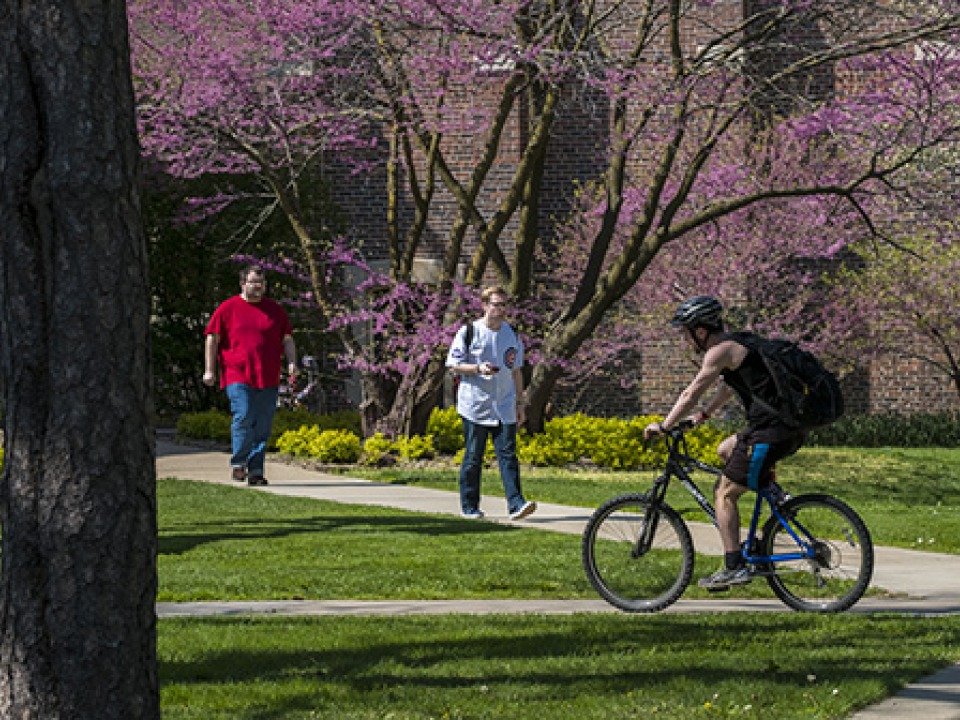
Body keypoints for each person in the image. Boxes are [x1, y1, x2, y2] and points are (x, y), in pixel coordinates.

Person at [643, 295, 802, 590]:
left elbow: (690, 393)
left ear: (700, 331)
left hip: (768, 433)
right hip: (783, 429)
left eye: (686, 332)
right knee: (725, 450)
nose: (685, 339)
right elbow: (729, 388)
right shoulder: (739, 344)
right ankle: (774, 495)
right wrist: (702, 417)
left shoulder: (718, 352)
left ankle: (734, 566)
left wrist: (664, 426)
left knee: (725, 494)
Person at [446, 286, 537, 521]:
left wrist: (519, 403)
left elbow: (516, 371)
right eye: (496, 304)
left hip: (504, 404)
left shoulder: (512, 334)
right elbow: (454, 364)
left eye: (503, 305)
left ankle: (516, 504)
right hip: (475, 405)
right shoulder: (469, 332)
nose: (500, 310)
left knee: (508, 454)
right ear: (484, 306)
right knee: (474, 456)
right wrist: (478, 368)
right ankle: (469, 506)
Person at [203, 264, 297, 486]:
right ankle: (238, 463)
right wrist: (209, 370)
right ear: (242, 283)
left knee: (262, 425)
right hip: (237, 373)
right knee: (243, 414)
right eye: (254, 282)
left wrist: (292, 362)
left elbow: (288, 339)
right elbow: (212, 339)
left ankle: (255, 471)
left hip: (268, 375)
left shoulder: (275, 311)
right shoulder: (228, 308)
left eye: (261, 283)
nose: (258, 287)